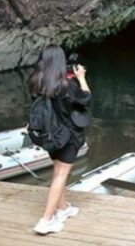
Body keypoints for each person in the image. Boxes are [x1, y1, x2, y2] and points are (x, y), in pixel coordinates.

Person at [28, 45, 92, 235]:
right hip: (67, 136)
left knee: (58, 171)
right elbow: (86, 99)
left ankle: (62, 208)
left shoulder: (35, 81)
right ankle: (46, 220)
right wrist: (81, 78)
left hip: (48, 134)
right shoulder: (66, 85)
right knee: (61, 174)